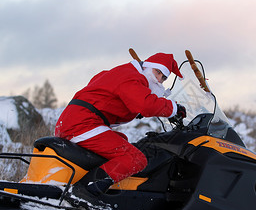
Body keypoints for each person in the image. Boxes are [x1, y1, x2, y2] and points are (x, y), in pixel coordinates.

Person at [55, 53, 186, 196]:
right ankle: (84, 193)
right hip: (83, 124)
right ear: (148, 66)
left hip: (75, 121)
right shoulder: (132, 77)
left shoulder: (121, 73)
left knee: (122, 142)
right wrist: (174, 108)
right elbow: (146, 105)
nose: (159, 79)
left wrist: (135, 111)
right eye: (158, 72)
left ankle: (100, 191)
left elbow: (107, 97)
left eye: (164, 78)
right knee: (135, 158)